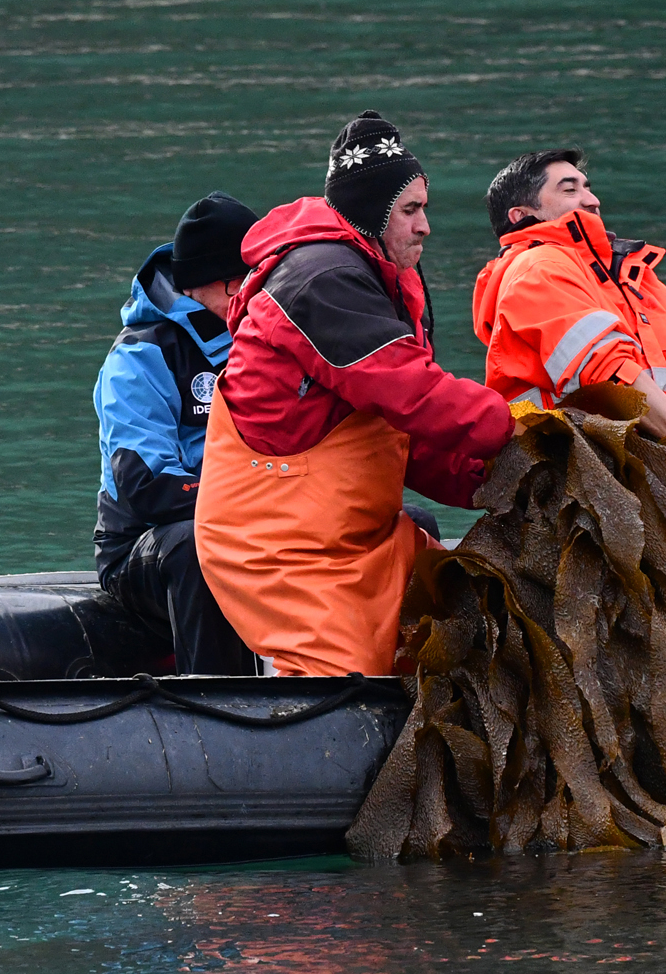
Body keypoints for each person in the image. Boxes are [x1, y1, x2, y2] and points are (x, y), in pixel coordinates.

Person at [193, 111, 516, 677]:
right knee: (346, 685)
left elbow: (394, 436)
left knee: (473, 624)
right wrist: (513, 428)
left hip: (361, 535)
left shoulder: (376, 277)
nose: (425, 227)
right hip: (281, 547)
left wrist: (490, 479)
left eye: (424, 209)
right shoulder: (321, 279)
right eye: (410, 210)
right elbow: (412, 393)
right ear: (371, 213)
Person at [93, 192, 259, 674]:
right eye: (255, 278)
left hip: (254, 516)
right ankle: (212, 702)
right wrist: (263, 497)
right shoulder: (139, 359)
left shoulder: (265, 340)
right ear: (227, 285)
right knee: (196, 545)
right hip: (144, 543)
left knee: (399, 519)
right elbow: (148, 488)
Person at [472, 149, 666, 437]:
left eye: (587, 188)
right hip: (568, 463)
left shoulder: (637, 277)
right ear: (521, 215)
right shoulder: (537, 268)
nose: (592, 200)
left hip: (652, 455)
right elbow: (607, 373)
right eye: (570, 190)